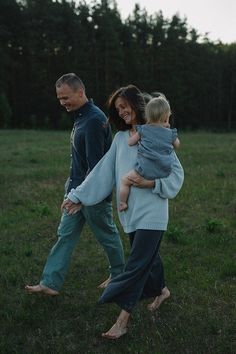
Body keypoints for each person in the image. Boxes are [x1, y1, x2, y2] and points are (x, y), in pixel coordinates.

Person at [62, 84, 184, 339]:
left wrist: (152, 183)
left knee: (137, 266)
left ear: (136, 104)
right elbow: (102, 173)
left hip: (154, 213)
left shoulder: (157, 134)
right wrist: (78, 196)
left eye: (124, 106)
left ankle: (122, 320)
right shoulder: (120, 140)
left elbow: (177, 174)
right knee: (148, 258)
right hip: (130, 215)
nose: (122, 112)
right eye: (118, 109)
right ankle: (161, 289)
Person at [25, 73, 125, 296]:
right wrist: (73, 193)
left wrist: (82, 197)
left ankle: (119, 276)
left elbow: (97, 168)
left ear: (81, 92)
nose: (62, 103)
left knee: (107, 235)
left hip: (92, 194)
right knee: (65, 235)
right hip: (75, 191)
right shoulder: (81, 116)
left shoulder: (93, 121)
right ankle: (50, 283)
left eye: (66, 97)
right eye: (59, 99)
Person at [119, 95, 180, 211]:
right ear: (166, 116)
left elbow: (130, 142)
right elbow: (177, 145)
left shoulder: (144, 129)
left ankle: (122, 203)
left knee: (125, 181)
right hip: (164, 171)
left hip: (144, 170)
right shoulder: (170, 133)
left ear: (148, 115)